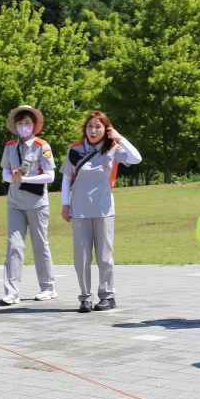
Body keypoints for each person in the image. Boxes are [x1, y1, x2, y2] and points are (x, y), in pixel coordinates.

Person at [60, 111, 142, 313]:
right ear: (85, 129)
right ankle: (85, 298)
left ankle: (107, 296)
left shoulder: (113, 148)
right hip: (79, 210)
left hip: (104, 210)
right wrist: (65, 205)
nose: (93, 131)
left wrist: (120, 138)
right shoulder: (75, 149)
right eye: (90, 126)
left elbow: (136, 158)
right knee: (82, 257)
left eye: (98, 126)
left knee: (105, 256)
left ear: (106, 129)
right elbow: (67, 178)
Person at [0, 105, 57, 305]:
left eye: (27, 122)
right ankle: (11, 292)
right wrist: (13, 178)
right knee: (14, 246)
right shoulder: (9, 146)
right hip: (15, 202)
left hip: (37, 203)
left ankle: (48, 288)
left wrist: (24, 179)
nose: (24, 126)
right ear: (14, 125)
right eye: (20, 123)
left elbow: (50, 176)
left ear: (34, 124)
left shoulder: (42, 145)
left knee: (40, 244)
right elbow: (5, 173)